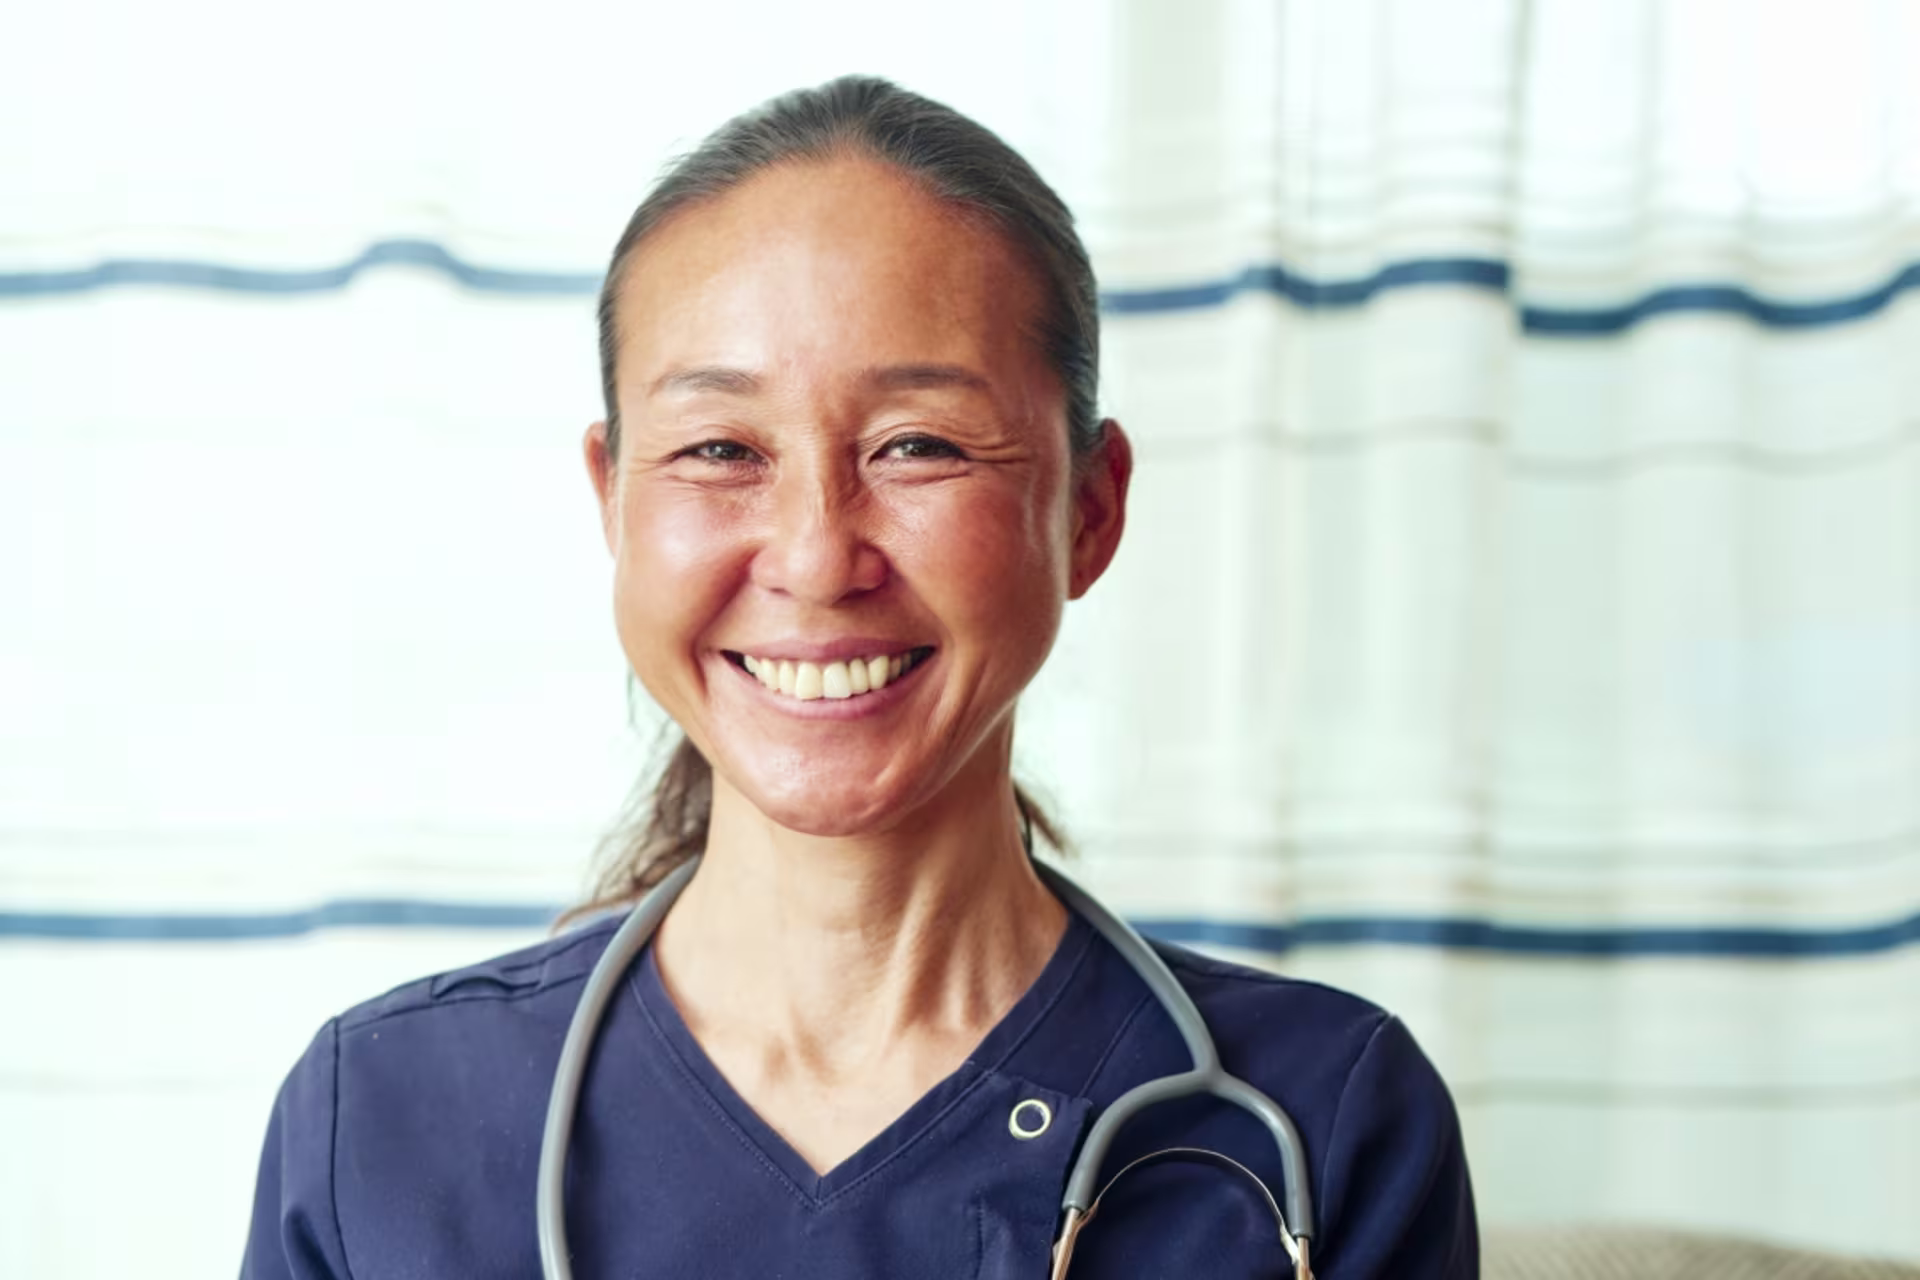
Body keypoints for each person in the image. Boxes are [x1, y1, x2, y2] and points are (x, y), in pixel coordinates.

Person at [240, 75, 1477, 1279]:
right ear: (611, 501)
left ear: (1091, 509)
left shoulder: (1323, 1116)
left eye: (918, 446)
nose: (818, 556)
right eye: (721, 448)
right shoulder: (382, 1121)